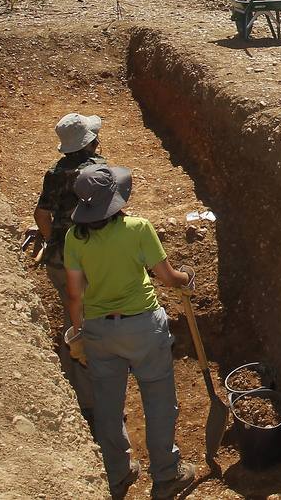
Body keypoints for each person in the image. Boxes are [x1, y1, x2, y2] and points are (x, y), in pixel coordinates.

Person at [63, 163, 197, 499]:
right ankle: (167, 474)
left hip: (98, 332)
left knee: (108, 405)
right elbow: (167, 278)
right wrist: (186, 277)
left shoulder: (74, 238)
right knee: (159, 399)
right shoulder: (138, 228)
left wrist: (78, 335)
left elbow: (74, 295)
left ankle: (117, 472)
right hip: (143, 327)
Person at [34, 112, 106, 421]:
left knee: (71, 317)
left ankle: (69, 385)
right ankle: (92, 403)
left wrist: (53, 243)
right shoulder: (98, 171)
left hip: (60, 261)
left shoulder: (54, 173)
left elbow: (41, 215)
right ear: (90, 142)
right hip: (89, 260)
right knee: (90, 324)